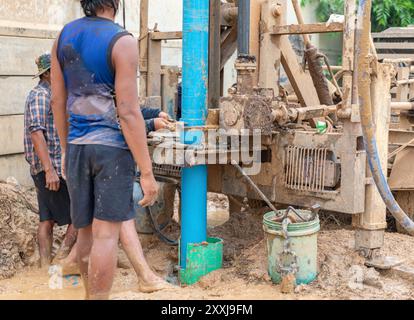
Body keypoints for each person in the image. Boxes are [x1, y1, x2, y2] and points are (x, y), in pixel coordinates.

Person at [51, 0, 159, 299]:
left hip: (76, 146)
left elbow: (57, 101)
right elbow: (128, 111)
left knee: (84, 232)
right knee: (106, 234)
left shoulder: (63, 36)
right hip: (110, 149)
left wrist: (64, 148)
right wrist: (147, 172)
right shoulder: (122, 41)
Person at [23, 53, 78, 269]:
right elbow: (36, 132)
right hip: (51, 168)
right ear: (47, 73)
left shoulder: (54, 95)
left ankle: (46, 268)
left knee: (47, 219)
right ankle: (59, 262)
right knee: (78, 216)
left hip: (51, 166)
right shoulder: (40, 95)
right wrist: (49, 171)